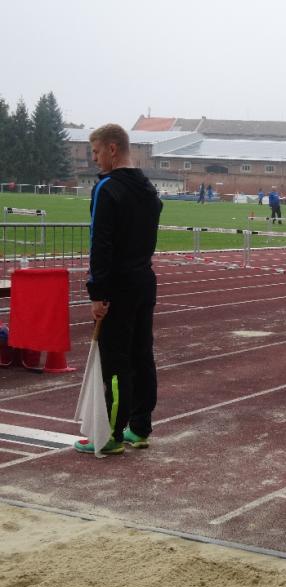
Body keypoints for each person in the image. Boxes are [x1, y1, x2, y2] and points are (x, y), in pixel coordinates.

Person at [74, 123, 162, 455]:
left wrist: (97, 293)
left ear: (113, 149)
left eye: (96, 152)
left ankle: (110, 435)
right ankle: (139, 427)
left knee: (115, 359)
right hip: (144, 279)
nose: (94, 159)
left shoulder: (107, 187)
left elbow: (100, 242)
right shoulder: (148, 188)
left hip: (118, 285)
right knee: (142, 354)